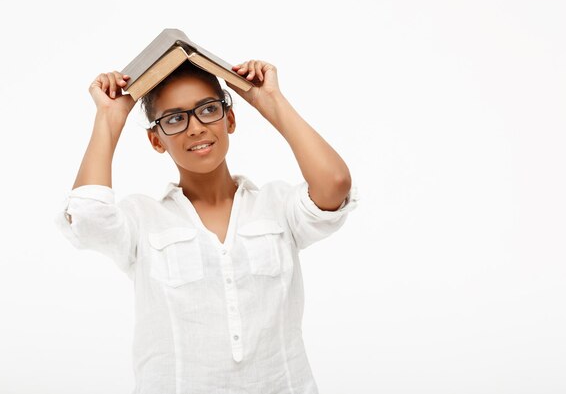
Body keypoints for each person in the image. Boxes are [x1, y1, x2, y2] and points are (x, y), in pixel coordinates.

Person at [55, 57, 359, 393]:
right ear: (156, 140)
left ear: (229, 118)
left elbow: (335, 183)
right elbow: (87, 215)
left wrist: (270, 102)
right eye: (174, 119)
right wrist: (110, 118)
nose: (196, 127)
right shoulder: (143, 220)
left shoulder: (276, 206)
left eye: (208, 110)